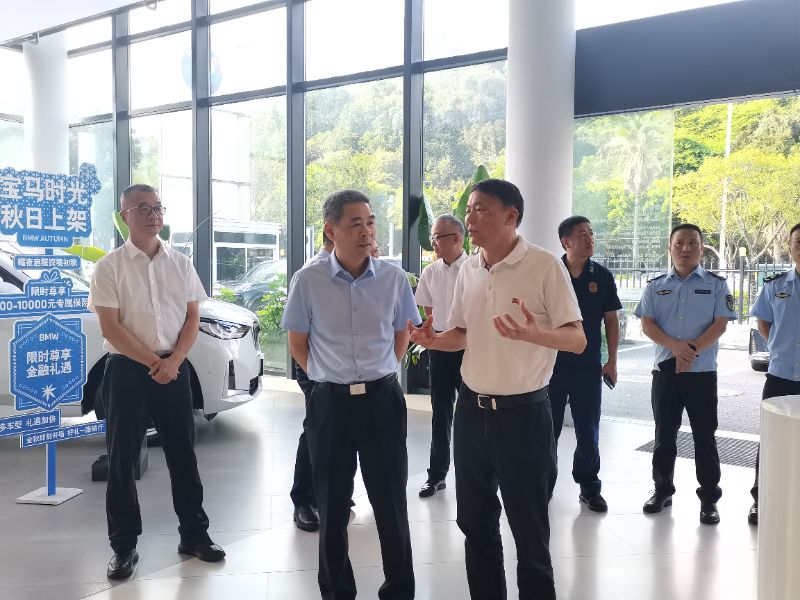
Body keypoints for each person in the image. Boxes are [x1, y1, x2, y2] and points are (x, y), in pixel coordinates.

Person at [409, 179, 585, 600]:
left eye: (480, 209)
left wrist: (535, 334)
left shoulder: (544, 265)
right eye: (469, 209)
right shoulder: (469, 269)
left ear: (511, 216)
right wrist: (434, 340)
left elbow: (577, 339)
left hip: (524, 416)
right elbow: (461, 333)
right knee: (475, 524)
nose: (470, 218)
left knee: (529, 529)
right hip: (472, 413)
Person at [281, 189, 420, 600]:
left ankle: (399, 589)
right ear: (332, 230)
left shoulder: (393, 279)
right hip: (331, 403)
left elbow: (402, 334)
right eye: (355, 223)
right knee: (332, 504)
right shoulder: (309, 280)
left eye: (370, 222)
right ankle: (337, 591)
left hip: (382, 401)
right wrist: (326, 378)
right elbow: (298, 343)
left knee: (391, 502)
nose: (366, 231)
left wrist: (383, 370)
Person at [89, 184, 225, 581]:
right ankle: (123, 546)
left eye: (157, 207)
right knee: (122, 459)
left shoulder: (180, 264)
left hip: (174, 368)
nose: (153, 214)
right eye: (143, 208)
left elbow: (192, 318)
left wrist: (175, 361)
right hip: (127, 371)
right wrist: (155, 363)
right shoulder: (109, 267)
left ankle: (194, 535)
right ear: (125, 216)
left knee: (183, 454)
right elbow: (111, 328)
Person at [634, 223, 735, 525]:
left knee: (705, 437)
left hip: (701, 373)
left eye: (692, 243)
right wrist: (676, 347)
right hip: (665, 373)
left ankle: (709, 499)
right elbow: (647, 324)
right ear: (670, 248)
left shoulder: (716, 284)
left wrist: (689, 351)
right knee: (664, 436)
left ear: (702, 249)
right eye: (679, 243)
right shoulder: (654, 286)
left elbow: (720, 324)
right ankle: (662, 490)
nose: (685, 249)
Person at [550, 216, 622, 512]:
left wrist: (612, 361)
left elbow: (611, 320)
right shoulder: (550, 273)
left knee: (588, 429)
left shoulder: (601, 276)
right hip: (551, 365)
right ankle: (542, 484)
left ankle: (590, 487)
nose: (590, 238)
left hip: (588, 366)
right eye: (583, 234)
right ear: (566, 242)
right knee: (547, 429)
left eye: (591, 233)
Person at [747, 222, 800, 525]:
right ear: (790, 246)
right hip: (780, 376)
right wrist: (780, 347)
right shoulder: (775, 285)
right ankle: (761, 499)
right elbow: (763, 322)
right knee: (770, 440)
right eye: (798, 242)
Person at [414, 214, 467, 498]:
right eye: (433, 237)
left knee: (471, 414)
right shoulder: (431, 272)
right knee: (440, 412)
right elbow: (427, 308)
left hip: (469, 349)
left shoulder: (475, 269)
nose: (433, 242)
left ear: (457, 238)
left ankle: (474, 475)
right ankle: (437, 475)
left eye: (437, 237)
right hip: (440, 348)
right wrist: (436, 332)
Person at [291, 233, 335, 533]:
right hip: (315, 368)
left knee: (339, 431)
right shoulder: (311, 274)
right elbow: (297, 336)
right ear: (332, 232)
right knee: (316, 430)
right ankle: (304, 500)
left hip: (343, 373)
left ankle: (330, 493)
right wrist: (315, 374)